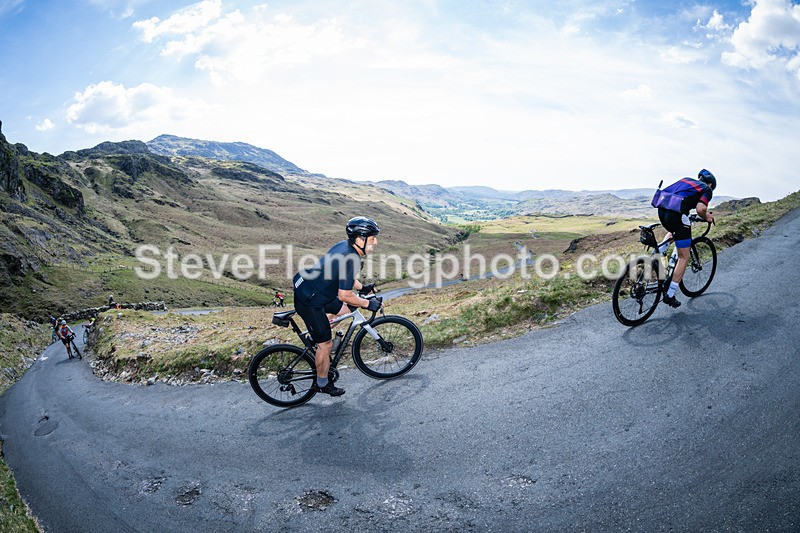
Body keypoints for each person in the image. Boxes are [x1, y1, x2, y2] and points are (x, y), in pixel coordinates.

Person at [292, 216, 382, 396]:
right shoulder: (352, 257)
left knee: (347, 309)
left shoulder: (345, 247)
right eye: (372, 238)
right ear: (360, 239)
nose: (376, 242)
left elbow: (344, 275)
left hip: (312, 288)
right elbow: (344, 295)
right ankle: (322, 383)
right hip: (310, 300)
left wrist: (361, 287)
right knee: (326, 344)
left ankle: (318, 333)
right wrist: (367, 303)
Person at [655, 169, 717, 308]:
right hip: (676, 214)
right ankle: (670, 294)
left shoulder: (687, 180)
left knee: (675, 230)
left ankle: (659, 251)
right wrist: (707, 216)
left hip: (662, 209)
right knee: (684, 257)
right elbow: (701, 209)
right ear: (710, 184)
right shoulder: (707, 189)